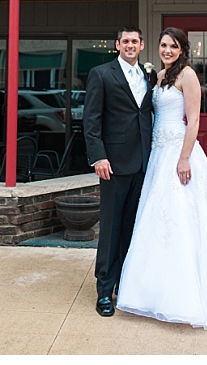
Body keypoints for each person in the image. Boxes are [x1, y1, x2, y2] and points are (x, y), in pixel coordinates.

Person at [116, 27, 207, 329]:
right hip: (158, 155)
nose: (167, 50)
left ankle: (185, 295)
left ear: (182, 49)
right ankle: (151, 292)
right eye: (163, 45)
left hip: (178, 152)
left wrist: (185, 157)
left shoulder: (187, 75)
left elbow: (195, 119)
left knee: (181, 220)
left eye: (173, 46)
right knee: (155, 220)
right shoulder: (159, 77)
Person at [83, 25, 154, 318]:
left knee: (132, 229)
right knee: (111, 229)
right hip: (112, 164)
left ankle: (126, 285)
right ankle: (104, 291)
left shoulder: (148, 76)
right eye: (125, 41)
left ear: (141, 45)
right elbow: (91, 120)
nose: (130, 45)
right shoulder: (101, 74)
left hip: (143, 163)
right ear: (117, 44)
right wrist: (98, 156)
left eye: (134, 41)